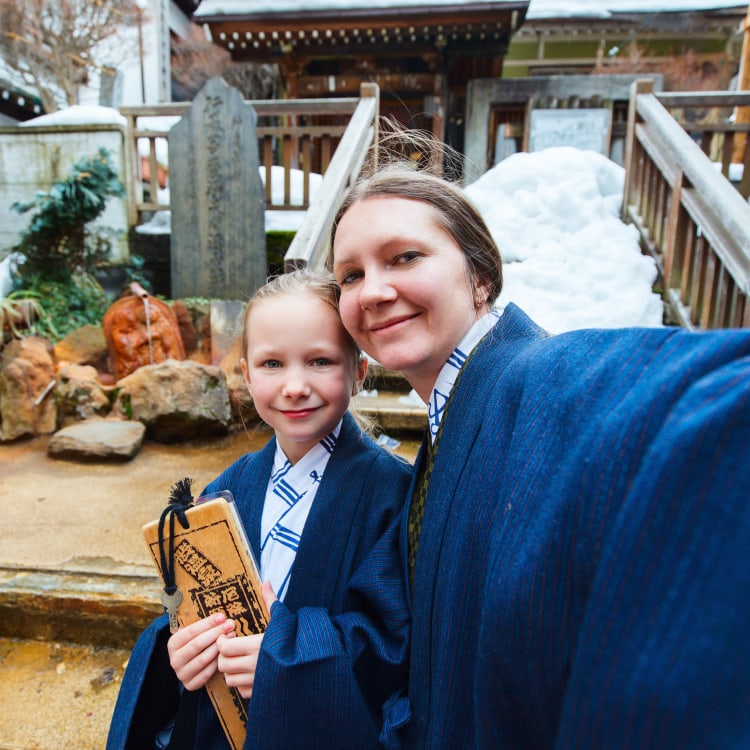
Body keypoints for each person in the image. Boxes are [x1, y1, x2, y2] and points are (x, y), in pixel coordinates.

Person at [250, 140, 750, 748]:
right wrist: (275, 647)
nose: (373, 291)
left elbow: (697, 399)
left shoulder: (545, 377)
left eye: (405, 257)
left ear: (481, 276)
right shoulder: (444, 433)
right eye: (351, 274)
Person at [106, 268, 412, 750]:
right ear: (247, 375)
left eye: (320, 361)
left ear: (358, 371)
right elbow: (186, 607)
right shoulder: (226, 488)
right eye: (272, 363)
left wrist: (288, 655)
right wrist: (182, 647)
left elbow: (396, 643)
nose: (295, 386)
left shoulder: (392, 494)